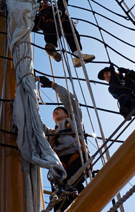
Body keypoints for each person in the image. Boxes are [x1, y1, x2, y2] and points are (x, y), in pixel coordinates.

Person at [39, 76, 91, 211]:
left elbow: (71, 101)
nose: (55, 111)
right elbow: (37, 125)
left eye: (58, 110)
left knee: (72, 187)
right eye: (53, 112)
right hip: (59, 163)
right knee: (60, 199)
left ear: (67, 114)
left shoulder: (75, 122)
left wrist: (52, 85)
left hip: (77, 156)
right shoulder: (51, 134)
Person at [33, 0, 95, 67]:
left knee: (72, 33)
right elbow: (30, 25)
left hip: (64, 21)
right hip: (50, 25)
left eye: (46, 2)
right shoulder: (40, 18)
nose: (45, 3)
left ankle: (77, 55)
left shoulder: (58, 7)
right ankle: (52, 49)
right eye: (42, 4)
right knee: (49, 28)